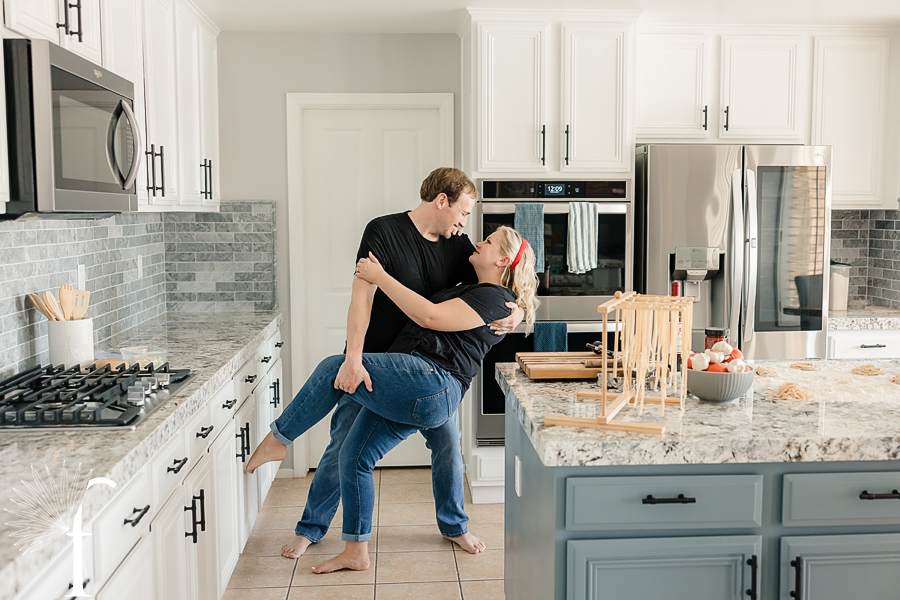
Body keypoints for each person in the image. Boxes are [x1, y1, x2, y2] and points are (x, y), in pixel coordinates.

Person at [247, 168, 524, 558]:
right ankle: (311, 527)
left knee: (448, 447)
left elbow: (495, 287)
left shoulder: (459, 247)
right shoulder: (383, 231)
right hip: (374, 357)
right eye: (463, 211)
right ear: (441, 201)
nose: (466, 223)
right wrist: (354, 359)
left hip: (429, 368)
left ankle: (454, 526)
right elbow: (361, 298)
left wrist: (519, 312)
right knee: (343, 444)